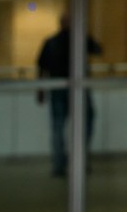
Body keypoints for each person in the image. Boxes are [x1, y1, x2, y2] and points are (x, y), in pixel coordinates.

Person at [36, 13, 102, 177]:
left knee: (58, 127)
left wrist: (40, 89)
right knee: (82, 125)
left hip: (60, 88)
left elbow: (41, 68)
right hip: (76, 89)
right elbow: (98, 49)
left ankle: (60, 164)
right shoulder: (78, 40)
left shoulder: (52, 42)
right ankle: (78, 160)